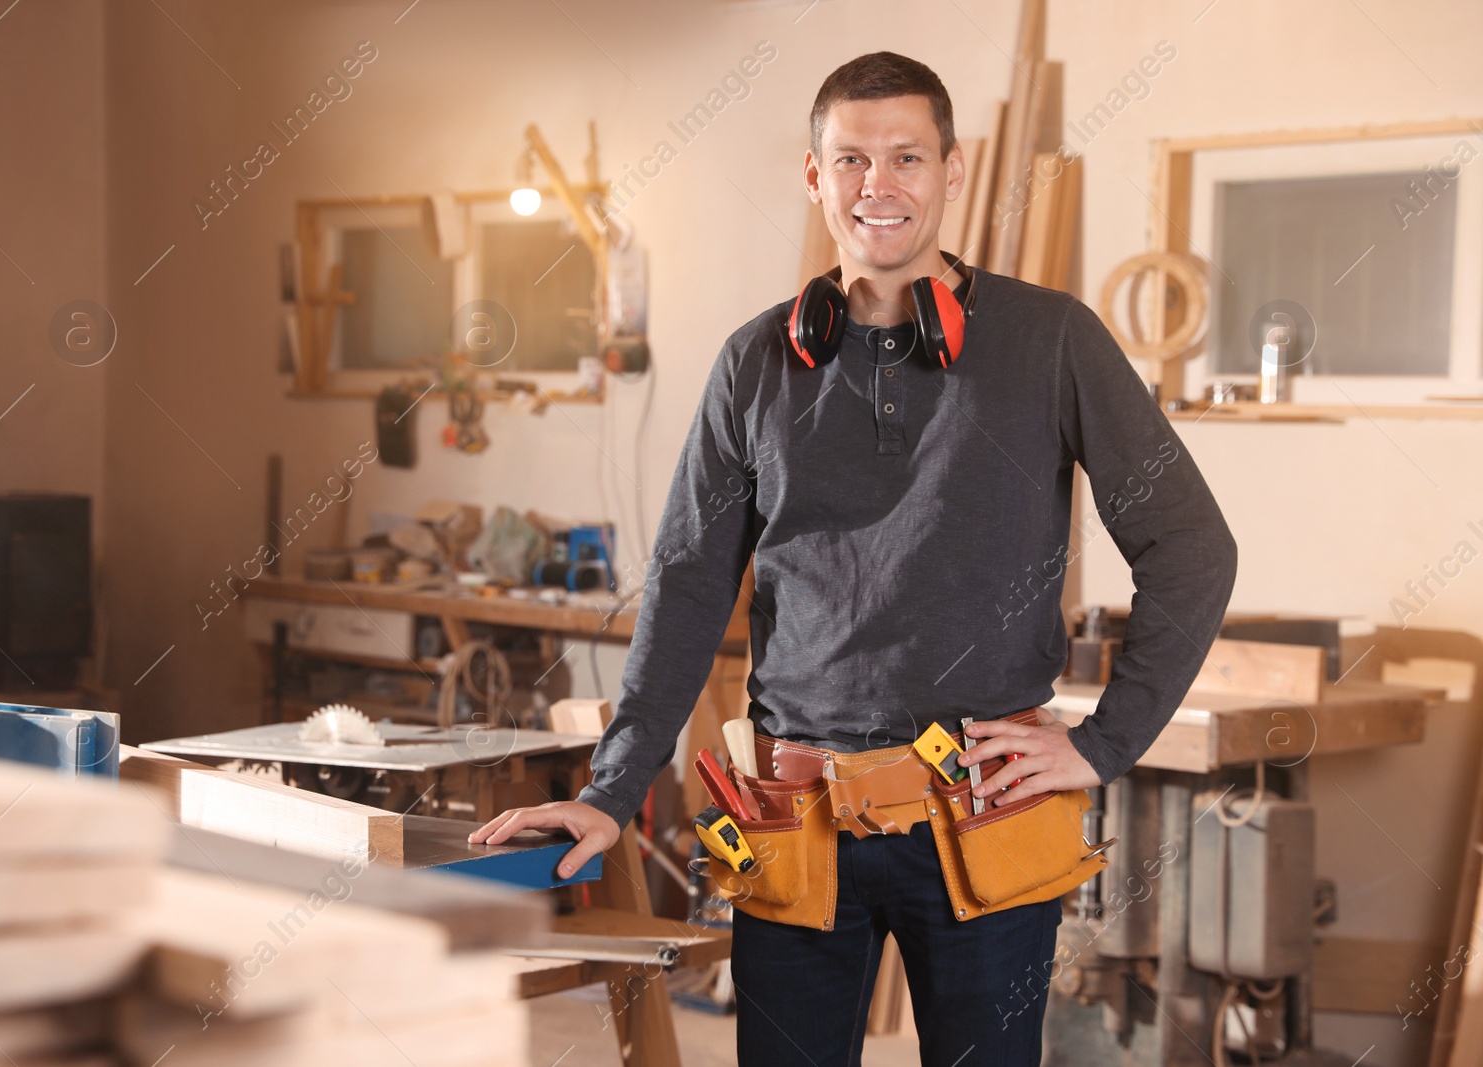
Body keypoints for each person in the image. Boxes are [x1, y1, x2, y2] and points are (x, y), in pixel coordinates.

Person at [471, 51, 1238, 1067]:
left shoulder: (1051, 341)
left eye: (906, 157)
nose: (878, 185)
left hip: (985, 810)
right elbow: (691, 582)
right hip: (796, 812)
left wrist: (1102, 743)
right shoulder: (754, 361)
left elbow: (1191, 543)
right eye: (851, 161)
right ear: (814, 176)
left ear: (952, 173)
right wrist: (613, 789)